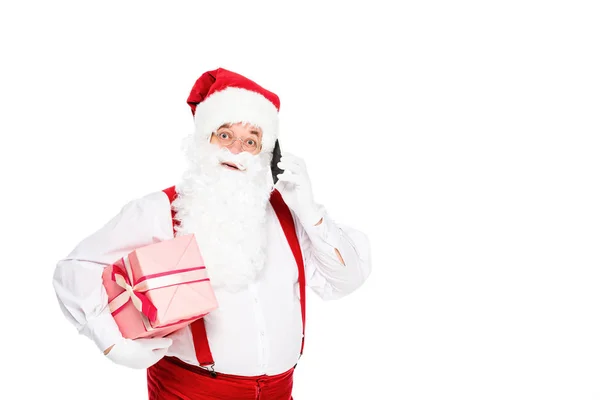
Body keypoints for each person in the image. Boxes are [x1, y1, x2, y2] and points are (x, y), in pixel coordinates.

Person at [53, 67, 371, 399]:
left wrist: (312, 213)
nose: (236, 149)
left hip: (281, 390)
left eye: (251, 140)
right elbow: (76, 268)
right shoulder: (162, 209)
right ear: (203, 139)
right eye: (224, 135)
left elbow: (345, 281)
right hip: (191, 390)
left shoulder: (289, 213)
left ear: (266, 154)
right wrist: (111, 342)